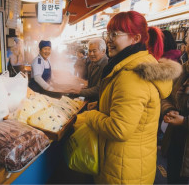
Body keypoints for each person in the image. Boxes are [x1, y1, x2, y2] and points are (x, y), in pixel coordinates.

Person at [75, 11, 182, 184]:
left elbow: (119, 128)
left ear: (135, 38)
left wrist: (89, 116)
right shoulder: (132, 67)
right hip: (133, 164)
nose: (109, 39)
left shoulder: (130, 76)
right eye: (108, 33)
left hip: (122, 171)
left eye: (115, 34)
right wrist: (102, 107)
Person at [161, 30, 189, 184]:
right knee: (173, 178)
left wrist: (184, 121)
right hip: (175, 142)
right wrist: (168, 110)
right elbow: (166, 96)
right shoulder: (182, 70)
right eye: (187, 43)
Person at [70, 38, 108, 103]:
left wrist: (78, 91)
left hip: (98, 102)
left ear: (103, 51)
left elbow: (98, 89)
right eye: (89, 51)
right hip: (89, 100)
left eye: (94, 51)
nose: (91, 54)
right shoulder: (91, 64)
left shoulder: (106, 65)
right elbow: (91, 84)